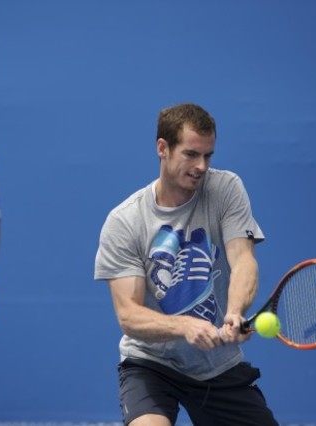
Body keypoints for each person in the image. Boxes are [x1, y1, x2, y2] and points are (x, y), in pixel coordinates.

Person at [94, 103, 278, 426]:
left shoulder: (226, 189)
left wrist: (235, 311)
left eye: (208, 155)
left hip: (217, 366)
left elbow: (243, 261)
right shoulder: (125, 221)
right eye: (191, 154)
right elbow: (129, 316)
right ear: (162, 149)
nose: (202, 166)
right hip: (150, 363)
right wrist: (186, 326)